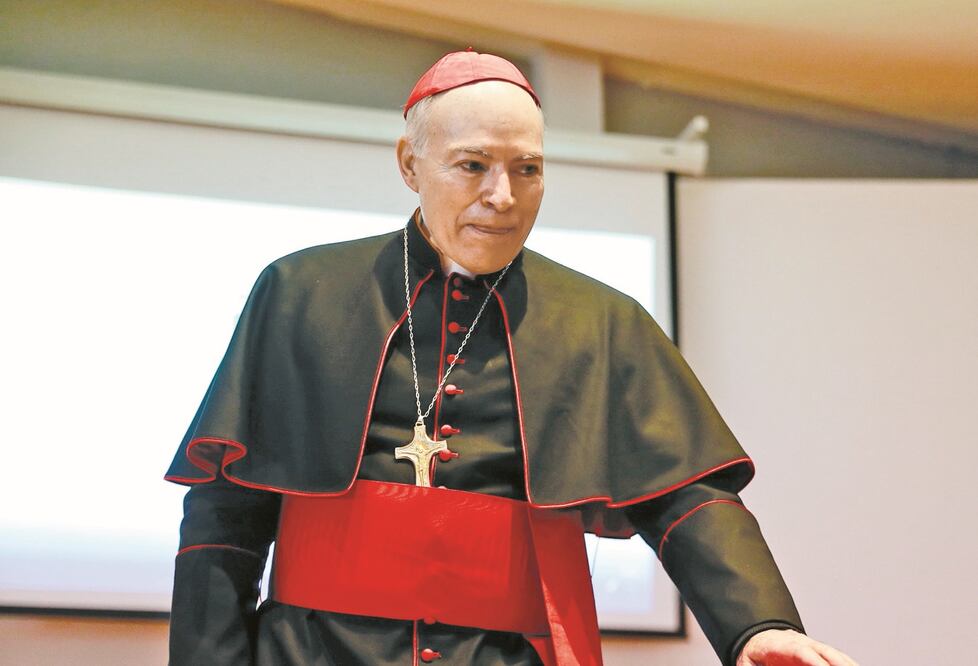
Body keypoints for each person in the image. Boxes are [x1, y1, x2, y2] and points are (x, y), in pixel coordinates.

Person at [166, 50, 858, 666]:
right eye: (473, 165)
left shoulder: (600, 319)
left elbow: (685, 497)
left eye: (526, 169)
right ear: (411, 164)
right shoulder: (300, 292)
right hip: (313, 649)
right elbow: (226, 512)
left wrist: (758, 628)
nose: (503, 196)